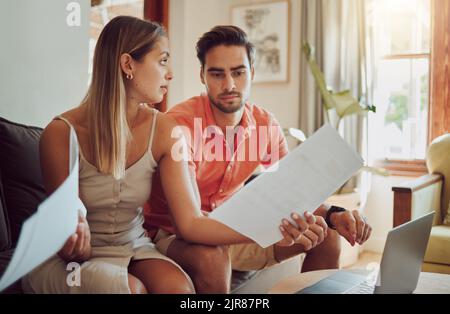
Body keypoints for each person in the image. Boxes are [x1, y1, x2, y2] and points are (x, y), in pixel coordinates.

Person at [22, 16, 318, 294]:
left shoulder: (164, 129)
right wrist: (75, 239)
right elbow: (67, 241)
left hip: (133, 245)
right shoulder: (61, 133)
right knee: (133, 289)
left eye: (238, 72)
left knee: (179, 289)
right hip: (73, 258)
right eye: (162, 61)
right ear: (128, 65)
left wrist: (273, 225)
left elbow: (191, 223)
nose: (171, 74)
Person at [144, 25, 373, 293]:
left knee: (326, 235)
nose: (229, 85)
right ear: (202, 76)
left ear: (252, 72)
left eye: (238, 72)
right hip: (173, 233)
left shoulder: (265, 124)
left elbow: (296, 191)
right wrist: (266, 229)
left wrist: (336, 214)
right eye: (217, 74)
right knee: (211, 256)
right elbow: (190, 225)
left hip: (234, 227)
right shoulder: (180, 125)